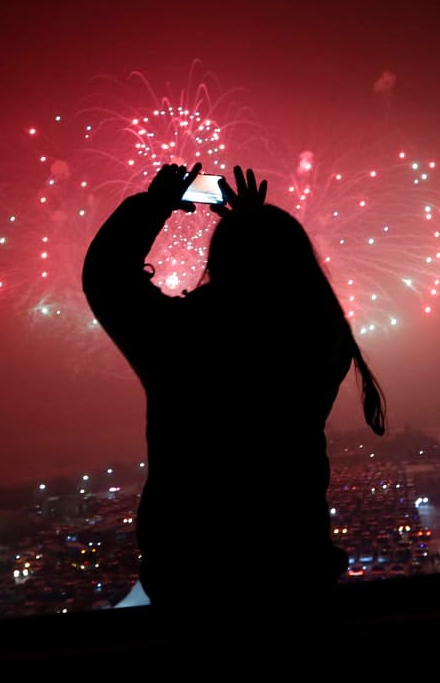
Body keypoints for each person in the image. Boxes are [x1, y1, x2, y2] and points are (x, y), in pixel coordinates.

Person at [81, 163, 386, 642]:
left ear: (220, 261)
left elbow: (106, 278)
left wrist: (156, 204)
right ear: (297, 261)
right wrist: (256, 226)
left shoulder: (181, 344)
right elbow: (288, 296)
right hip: (295, 570)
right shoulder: (321, 340)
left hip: (193, 581)